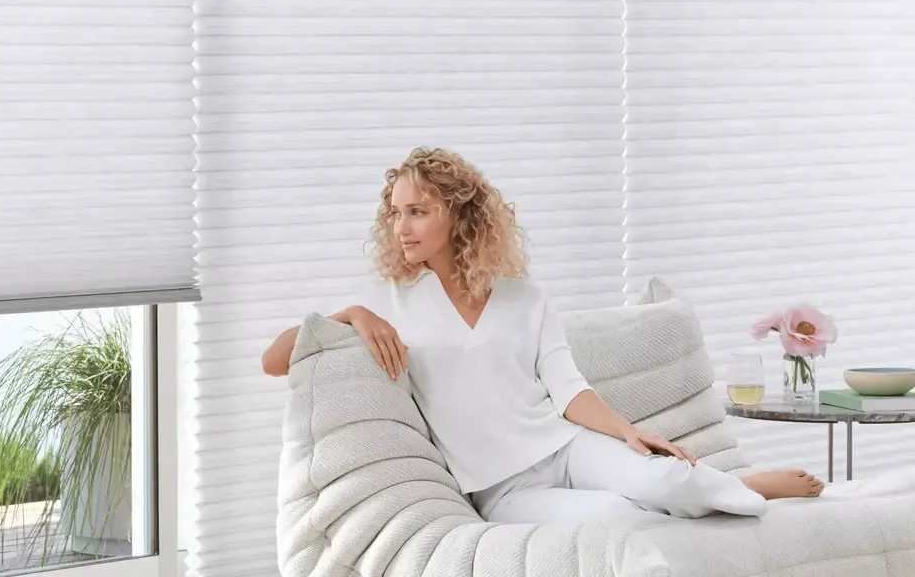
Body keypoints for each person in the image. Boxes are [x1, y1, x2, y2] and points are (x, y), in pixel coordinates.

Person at [260, 147, 824, 524]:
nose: (401, 227)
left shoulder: (522, 297)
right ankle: (735, 493)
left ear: (458, 216)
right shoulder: (391, 300)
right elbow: (276, 358)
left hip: (566, 447)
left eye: (417, 212)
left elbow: (568, 388)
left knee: (670, 481)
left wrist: (627, 432)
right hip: (501, 489)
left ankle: (747, 489)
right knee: (617, 518)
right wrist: (353, 314)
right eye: (396, 214)